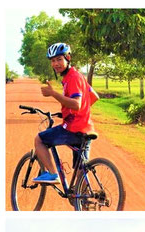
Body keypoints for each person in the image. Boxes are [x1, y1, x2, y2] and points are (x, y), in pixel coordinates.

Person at [33, 43, 99, 184]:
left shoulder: (72, 78)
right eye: (52, 60)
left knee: (39, 140)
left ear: (68, 58)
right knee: (80, 173)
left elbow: (76, 104)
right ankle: (83, 201)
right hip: (86, 128)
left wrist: (53, 93)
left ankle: (52, 174)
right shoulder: (78, 76)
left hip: (73, 129)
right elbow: (94, 97)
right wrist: (74, 112)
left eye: (59, 59)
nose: (55, 63)